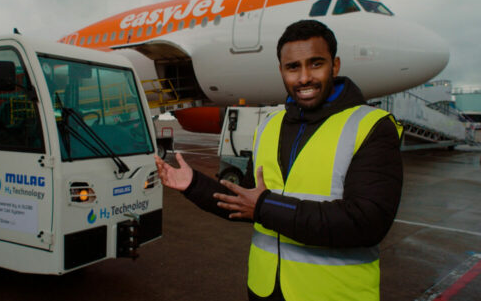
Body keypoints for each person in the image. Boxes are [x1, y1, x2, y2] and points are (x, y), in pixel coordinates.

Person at [154, 19, 403, 301]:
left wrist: (265, 205)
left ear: (335, 66)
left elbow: (367, 223)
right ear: (282, 71)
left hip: (333, 294)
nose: (304, 77)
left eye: (316, 63)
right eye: (293, 67)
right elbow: (245, 201)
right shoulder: (270, 127)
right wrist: (193, 184)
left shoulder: (370, 126)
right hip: (265, 290)